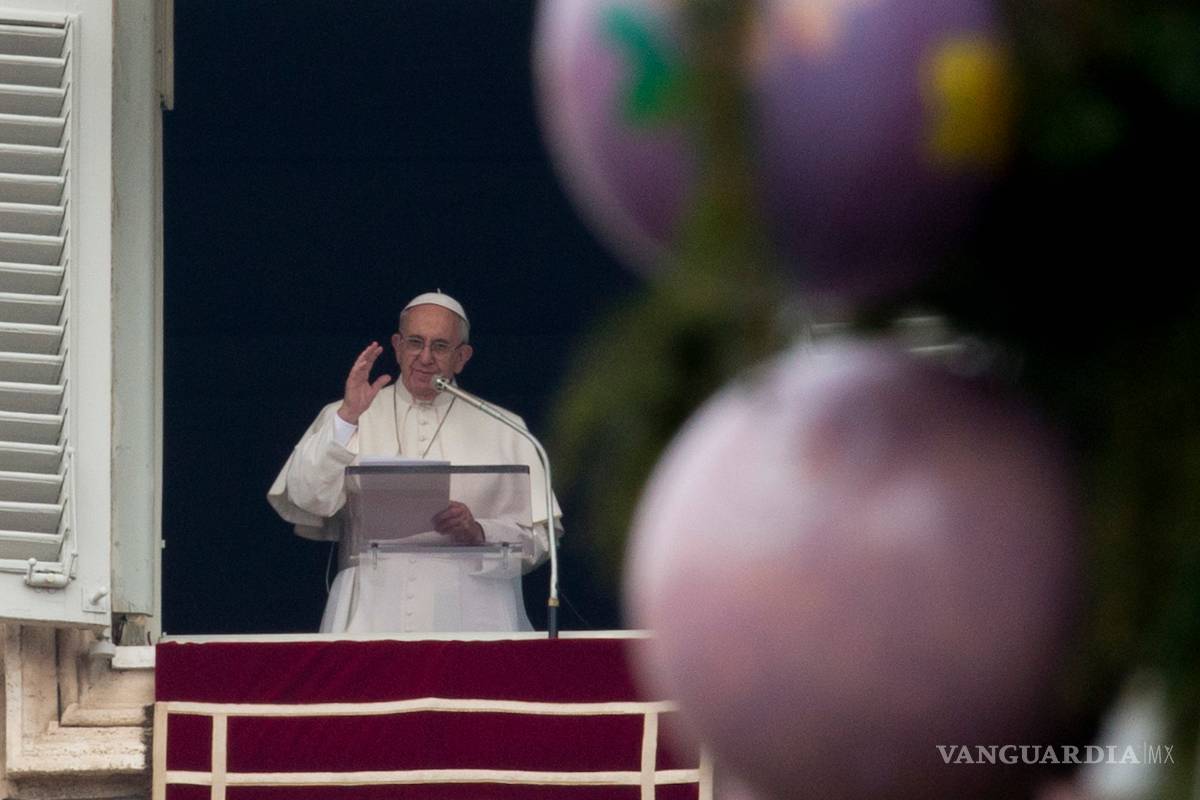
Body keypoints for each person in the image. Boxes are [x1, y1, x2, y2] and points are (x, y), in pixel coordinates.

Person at [268, 291, 561, 633]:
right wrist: (349, 416)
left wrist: (480, 532)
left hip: (475, 616)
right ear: (397, 345)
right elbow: (307, 496)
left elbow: (541, 540)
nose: (425, 357)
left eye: (439, 346)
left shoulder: (505, 428)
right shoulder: (346, 415)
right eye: (415, 342)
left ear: (462, 357)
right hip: (370, 614)